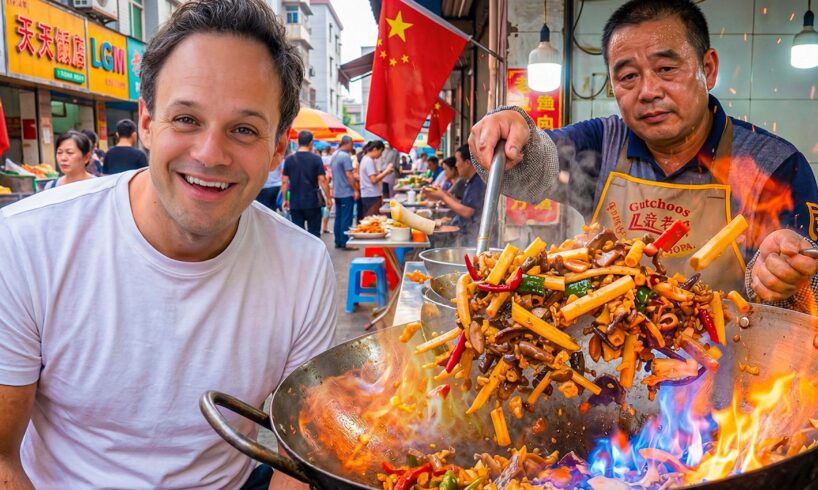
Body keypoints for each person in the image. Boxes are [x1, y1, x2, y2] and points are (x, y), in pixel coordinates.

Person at [0, 1, 335, 489]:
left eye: (243, 129)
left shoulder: (303, 268)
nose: (209, 154)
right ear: (147, 122)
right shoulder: (29, 243)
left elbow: (298, 459)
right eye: (185, 119)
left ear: (278, 147)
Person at [469, 0, 818, 311]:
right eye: (628, 76)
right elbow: (528, 172)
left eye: (666, 69)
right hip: (611, 367)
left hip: (731, 370)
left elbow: (809, 302)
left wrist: (784, 277)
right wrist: (511, 128)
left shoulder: (773, 165)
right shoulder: (603, 142)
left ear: (707, 69)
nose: (648, 91)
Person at [423, 145, 485, 243]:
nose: (455, 165)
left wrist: (442, 196)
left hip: (472, 237)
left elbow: (468, 212)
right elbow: (464, 204)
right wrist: (446, 195)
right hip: (466, 234)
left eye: (457, 161)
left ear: (467, 163)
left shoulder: (478, 182)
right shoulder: (471, 181)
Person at [281, 130, 333, 237]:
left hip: (295, 202)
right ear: (310, 142)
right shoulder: (316, 159)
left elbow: (284, 181)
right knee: (314, 233)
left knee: (298, 234)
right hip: (313, 201)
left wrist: (285, 199)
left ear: (298, 142)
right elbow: (323, 180)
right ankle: (314, 254)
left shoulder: (289, 159)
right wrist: (328, 198)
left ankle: (300, 253)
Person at [331, 135, 359, 250]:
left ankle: (338, 241)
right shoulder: (345, 156)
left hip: (337, 191)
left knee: (339, 217)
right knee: (346, 218)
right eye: (351, 144)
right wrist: (355, 189)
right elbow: (349, 175)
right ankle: (345, 242)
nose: (352, 147)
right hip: (345, 192)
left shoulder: (334, 155)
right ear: (347, 143)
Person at [358, 140, 393, 217]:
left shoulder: (366, 159)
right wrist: (386, 172)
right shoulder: (369, 161)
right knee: (372, 220)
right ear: (375, 149)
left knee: (371, 219)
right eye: (380, 152)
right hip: (371, 195)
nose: (380, 155)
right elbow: (374, 180)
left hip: (369, 195)